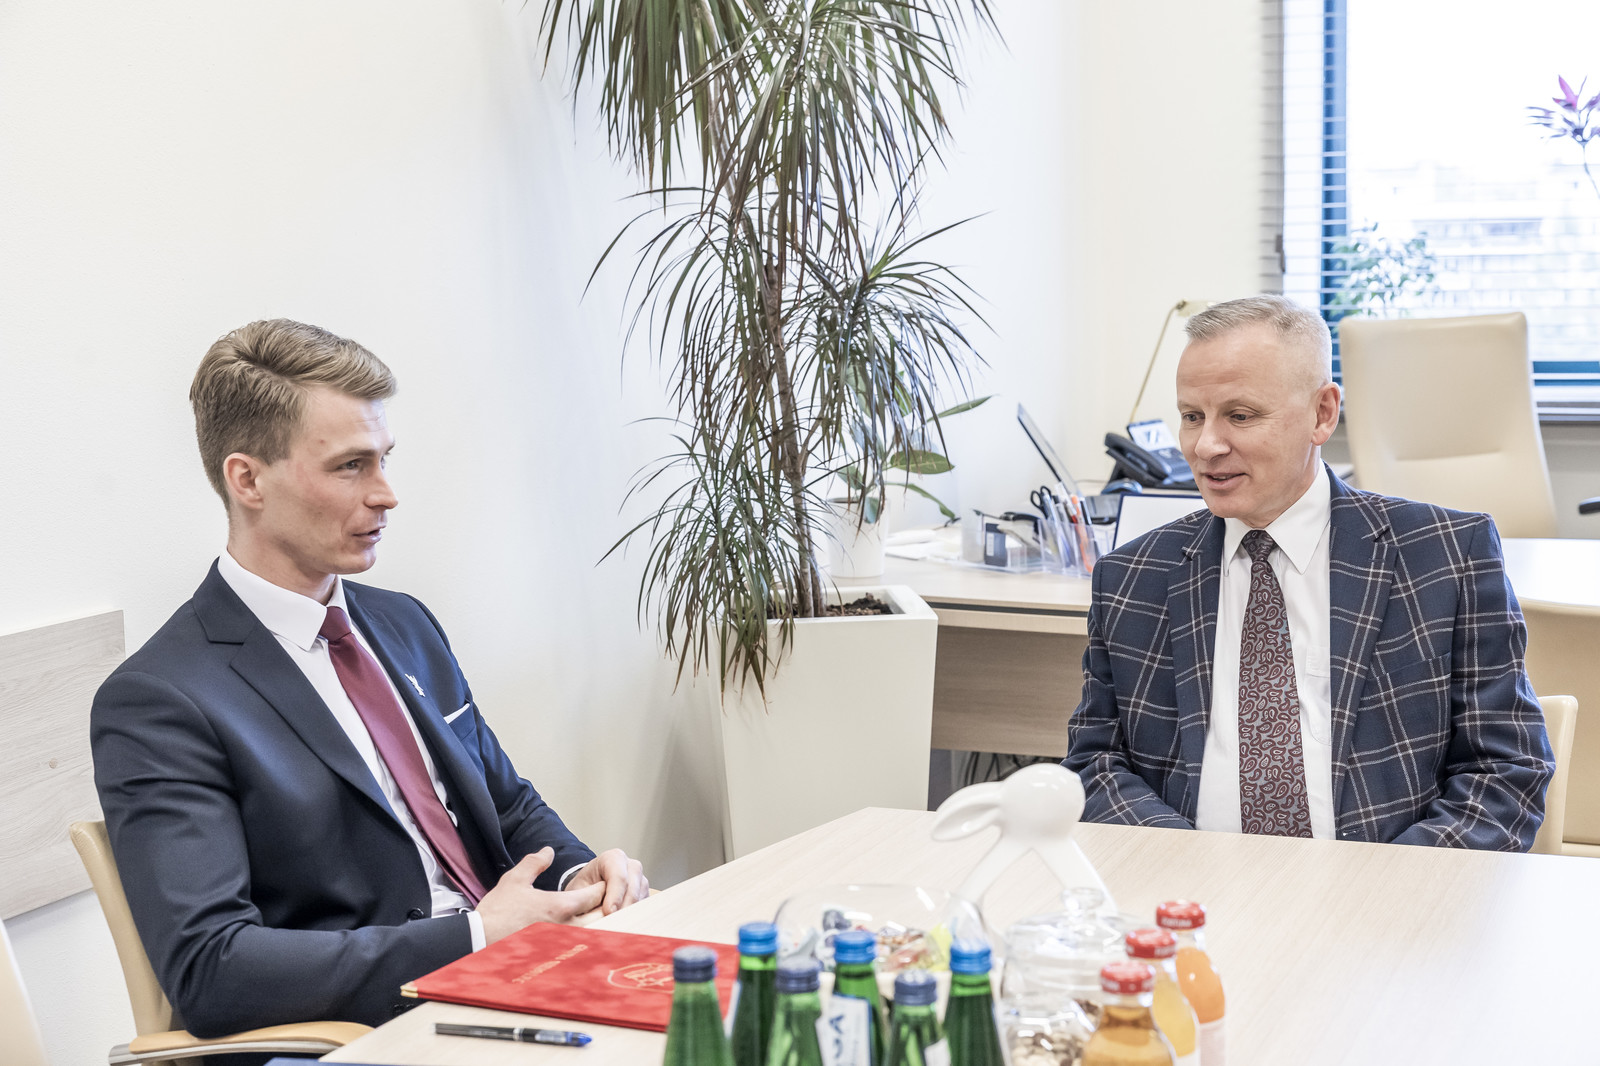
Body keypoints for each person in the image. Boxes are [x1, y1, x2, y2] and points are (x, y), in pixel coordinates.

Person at [91, 319, 648, 1037]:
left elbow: (505, 807)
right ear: (247, 479)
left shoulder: (404, 622)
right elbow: (212, 968)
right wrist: (475, 937)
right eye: (351, 466)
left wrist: (577, 876)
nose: (386, 494)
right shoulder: (160, 700)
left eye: (384, 460)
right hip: (374, 1027)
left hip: (522, 979)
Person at [1064, 295, 1553, 851]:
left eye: (1240, 416)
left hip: (1386, 888)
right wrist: (1185, 864)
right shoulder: (1131, 577)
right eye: (1192, 416)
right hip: (1190, 889)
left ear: (1323, 413)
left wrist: (1383, 886)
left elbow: (1505, 770)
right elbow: (1094, 763)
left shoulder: (1445, 554)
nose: (1205, 446)